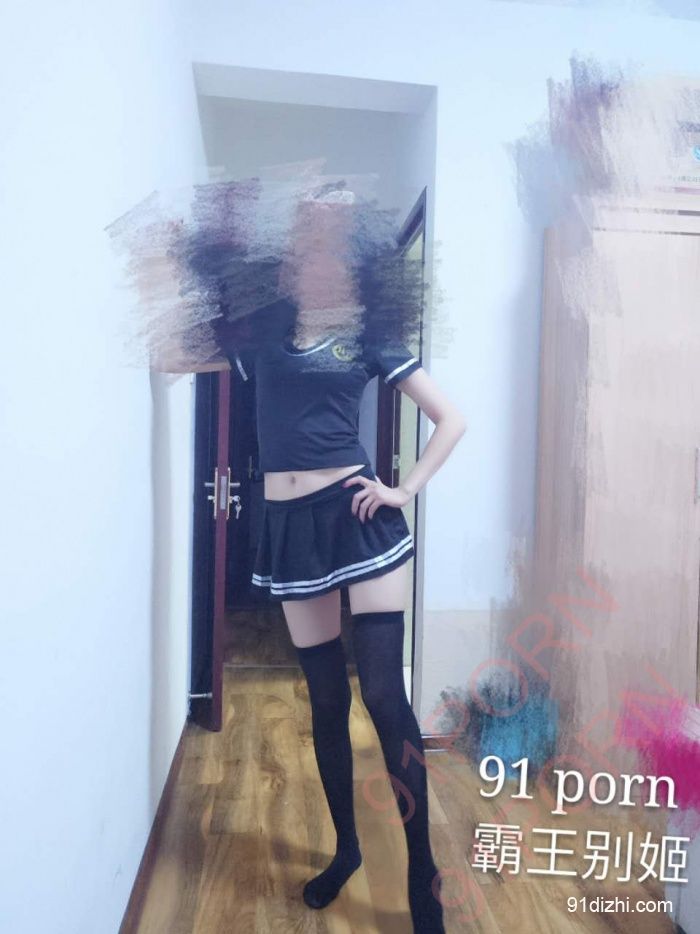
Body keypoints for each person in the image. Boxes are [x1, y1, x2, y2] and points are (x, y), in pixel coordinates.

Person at [223, 193, 465, 932]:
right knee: (325, 700)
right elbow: (181, 348)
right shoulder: (264, 328)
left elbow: (452, 418)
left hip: (359, 519)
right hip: (290, 528)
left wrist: (404, 489)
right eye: (306, 234)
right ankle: (347, 851)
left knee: (384, 697)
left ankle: (423, 876)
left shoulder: (370, 330)